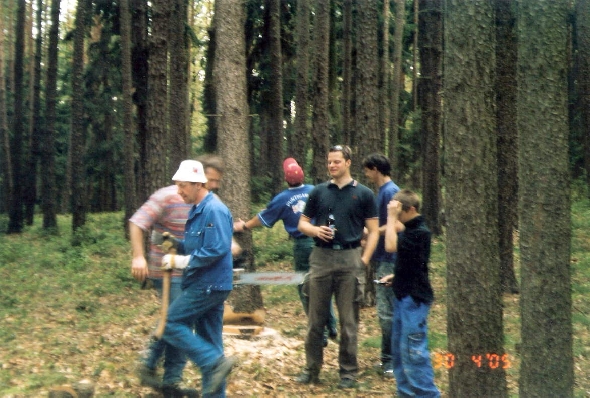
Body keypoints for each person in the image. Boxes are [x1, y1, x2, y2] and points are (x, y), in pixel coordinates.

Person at [130, 154, 239, 397]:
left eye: (183, 186)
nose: (178, 191)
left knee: (170, 323)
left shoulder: (214, 209)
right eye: (177, 185)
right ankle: (215, 387)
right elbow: (197, 245)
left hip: (208, 284)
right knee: (210, 340)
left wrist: (180, 260)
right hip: (204, 282)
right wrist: (174, 244)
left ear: (198, 184)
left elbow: (216, 249)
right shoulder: (198, 209)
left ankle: (213, 361)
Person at [296, 145, 380, 389]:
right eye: (329, 162)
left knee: (349, 322)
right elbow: (302, 223)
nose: (332, 165)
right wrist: (314, 230)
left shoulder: (363, 194)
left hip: (350, 259)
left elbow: (374, 231)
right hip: (320, 258)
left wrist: (364, 260)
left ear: (348, 163)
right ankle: (311, 369)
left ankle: (348, 373)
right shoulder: (318, 192)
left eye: (336, 162)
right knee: (315, 321)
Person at [233, 158, 338, 345]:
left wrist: (244, 226)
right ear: (302, 174)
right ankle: (332, 325)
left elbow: (263, 217)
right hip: (323, 241)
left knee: (306, 287)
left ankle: (318, 333)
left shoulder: (282, 199)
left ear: (285, 178)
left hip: (303, 244)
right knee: (322, 283)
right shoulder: (316, 191)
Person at [129, 181, 196, 397]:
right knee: (176, 320)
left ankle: (171, 383)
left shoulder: (204, 201)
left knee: (182, 324)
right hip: (166, 271)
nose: (213, 185)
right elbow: (137, 223)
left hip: (190, 270)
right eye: (211, 179)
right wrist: (138, 257)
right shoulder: (166, 196)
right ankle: (148, 362)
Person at [380, 189, 440, 397]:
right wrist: (395, 277)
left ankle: (427, 394)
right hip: (402, 295)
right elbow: (413, 264)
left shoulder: (420, 232)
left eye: (400, 212)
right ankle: (405, 393)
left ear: (411, 209)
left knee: (414, 354)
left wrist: (390, 217)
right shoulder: (409, 230)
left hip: (414, 301)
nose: (397, 217)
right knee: (399, 353)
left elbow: (390, 246)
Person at [362, 153, 399, 378]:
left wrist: (372, 232)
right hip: (382, 258)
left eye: (367, 170)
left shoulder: (390, 192)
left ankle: (392, 361)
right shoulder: (383, 192)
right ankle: (387, 358)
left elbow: (396, 224)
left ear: (375, 169)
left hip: (389, 260)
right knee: (385, 311)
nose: (366, 174)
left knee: (387, 312)